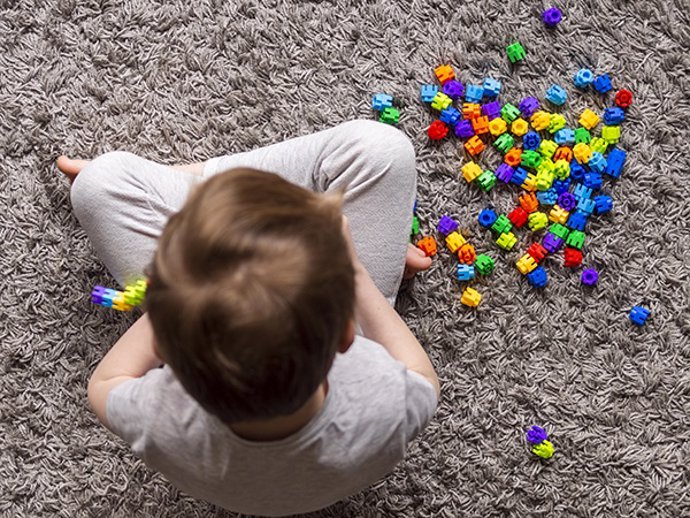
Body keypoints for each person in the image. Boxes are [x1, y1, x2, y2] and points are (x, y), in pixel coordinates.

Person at [58, 120, 439, 517]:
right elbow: (422, 375)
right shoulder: (381, 404)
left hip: (214, 316)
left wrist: (174, 293)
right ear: (345, 332)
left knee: (97, 184)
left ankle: (197, 192)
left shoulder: (162, 419)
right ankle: (241, 209)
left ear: (165, 349)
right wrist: (357, 271)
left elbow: (105, 382)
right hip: (338, 309)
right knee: (383, 148)